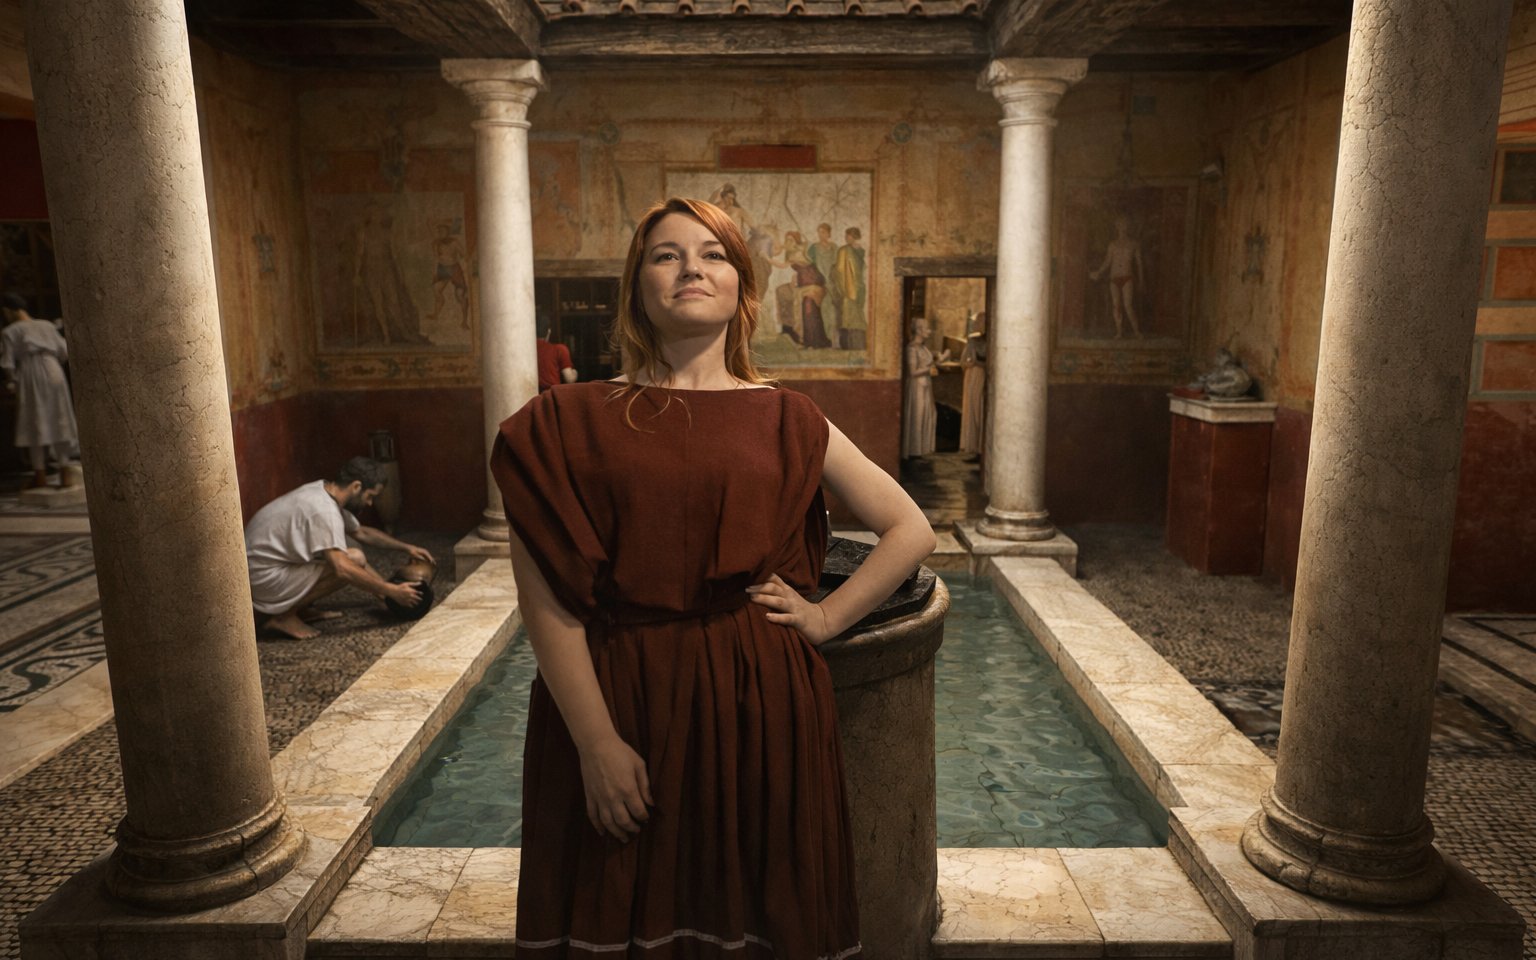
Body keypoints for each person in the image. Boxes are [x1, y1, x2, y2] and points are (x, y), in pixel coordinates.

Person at [491, 197, 935, 958]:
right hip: (621, 697)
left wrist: (827, 617)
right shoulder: (562, 420)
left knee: (760, 917)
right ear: (638, 286)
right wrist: (595, 742)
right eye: (666, 255)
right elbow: (547, 602)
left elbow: (910, 529)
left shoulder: (790, 417)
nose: (690, 268)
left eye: (713, 254)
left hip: (760, 704)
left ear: (743, 289)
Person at [244, 456, 431, 640]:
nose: (369, 503)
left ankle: (300, 609)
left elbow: (362, 532)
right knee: (352, 560)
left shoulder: (322, 490)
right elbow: (342, 569)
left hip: (260, 569)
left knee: (348, 551)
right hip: (261, 578)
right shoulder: (325, 510)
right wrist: (390, 591)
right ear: (356, 486)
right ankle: (283, 616)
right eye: (370, 496)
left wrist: (407, 548)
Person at [1, 292, 78, 489]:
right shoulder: (47, 325)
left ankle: (40, 473)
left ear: (9, 311)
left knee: (34, 419)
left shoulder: (10, 331)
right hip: (53, 369)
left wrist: (13, 381)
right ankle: (64, 470)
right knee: (59, 416)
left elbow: (7, 363)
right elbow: (64, 351)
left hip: (30, 373)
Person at [1088, 214, 1145, 338]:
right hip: (1114, 278)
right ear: (1117, 227)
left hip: (1127, 277)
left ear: (1128, 227)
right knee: (1116, 305)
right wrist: (1098, 272)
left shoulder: (1134, 244)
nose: (1122, 227)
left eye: (1125, 225)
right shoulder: (1112, 244)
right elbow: (1107, 262)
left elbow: (1139, 264)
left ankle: (1137, 332)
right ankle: (1119, 332)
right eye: (1120, 225)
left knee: (1128, 305)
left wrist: (1141, 281)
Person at [902, 316, 949, 459]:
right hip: (917, 387)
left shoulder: (923, 348)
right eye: (927, 328)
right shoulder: (912, 348)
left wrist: (941, 359)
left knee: (926, 415)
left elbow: (929, 364)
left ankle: (920, 450)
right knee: (917, 416)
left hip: (925, 385)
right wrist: (931, 368)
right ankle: (914, 450)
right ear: (919, 330)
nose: (929, 331)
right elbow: (913, 371)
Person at [535, 315, 578, 391]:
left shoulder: (525, 350)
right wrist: (575, 372)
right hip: (552, 395)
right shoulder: (559, 349)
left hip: (531, 395)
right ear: (549, 331)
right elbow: (569, 379)